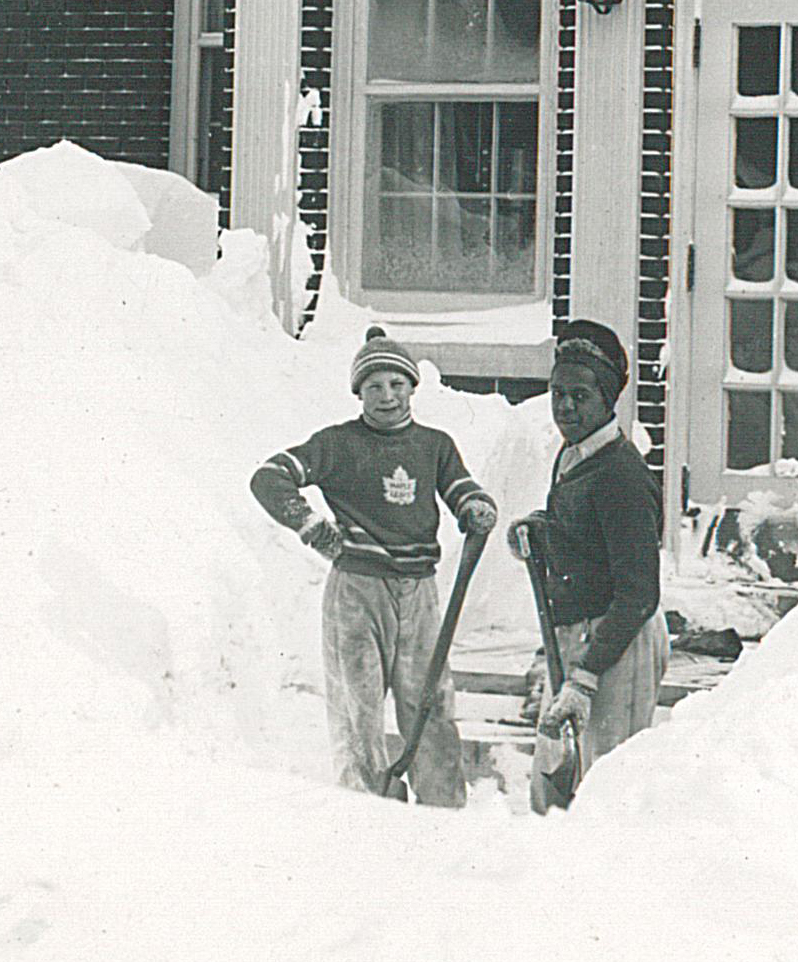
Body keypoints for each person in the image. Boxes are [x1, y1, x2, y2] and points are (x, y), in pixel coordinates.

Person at [249, 328, 498, 807]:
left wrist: (474, 507)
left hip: (418, 592)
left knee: (430, 705)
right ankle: (365, 808)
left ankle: (442, 810)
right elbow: (268, 477)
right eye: (375, 386)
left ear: (411, 387)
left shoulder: (434, 445)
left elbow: (461, 487)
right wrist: (310, 526)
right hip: (358, 592)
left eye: (397, 384)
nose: (387, 396)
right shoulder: (338, 444)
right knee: (357, 707)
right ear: (359, 392)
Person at [509, 319, 666, 801]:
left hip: (616, 647)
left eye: (580, 395)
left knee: (601, 791)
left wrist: (585, 677)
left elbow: (638, 592)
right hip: (579, 640)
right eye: (558, 393)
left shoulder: (621, 473)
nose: (566, 406)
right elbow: (587, 533)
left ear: (607, 398)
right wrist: (540, 530)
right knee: (556, 784)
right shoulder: (574, 454)